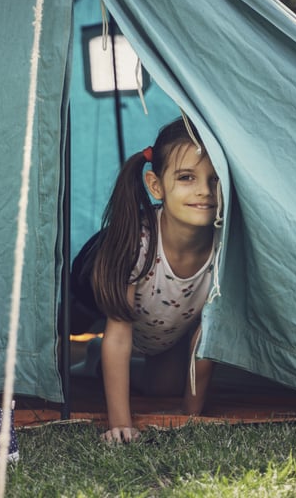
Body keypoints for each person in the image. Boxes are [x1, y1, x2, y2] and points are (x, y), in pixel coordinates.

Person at [73, 117, 222, 443]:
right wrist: (120, 425)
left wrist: (191, 416)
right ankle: (82, 348)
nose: (204, 191)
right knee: (70, 323)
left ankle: (95, 360)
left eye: (215, 179)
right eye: (187, 177)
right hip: (92, 288)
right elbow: (119, 334)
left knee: (164, 387)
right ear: (156, 186)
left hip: (163, 329)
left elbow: (207, 335)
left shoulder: (225, 248)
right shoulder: (135, 244)